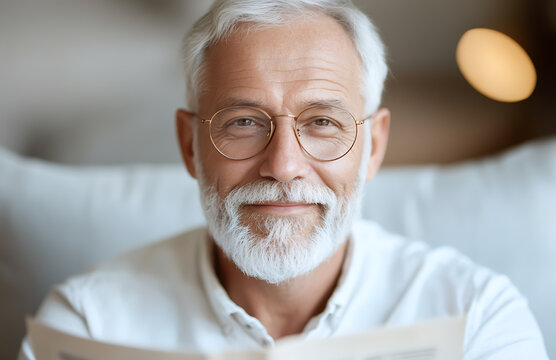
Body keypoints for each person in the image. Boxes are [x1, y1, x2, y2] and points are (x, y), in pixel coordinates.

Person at [19, 0, 548, 359]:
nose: (284, 166)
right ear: (189, 145)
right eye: (244, 123)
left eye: (322, 123)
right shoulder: (87, 326)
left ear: (374, 146)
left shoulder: (477, 320)